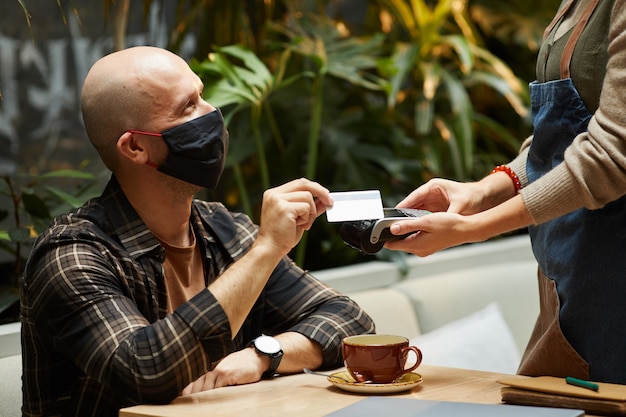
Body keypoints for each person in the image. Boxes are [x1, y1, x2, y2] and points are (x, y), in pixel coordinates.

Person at [20, 46, 375, 417]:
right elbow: (146, 370)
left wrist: (262, 355)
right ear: (136, 146)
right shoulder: (70, 256)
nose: (212, 114)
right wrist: (267, 248)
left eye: (201, 95)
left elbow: (351, 322)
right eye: (187, 107)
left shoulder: (223, 231)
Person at [385, 0, 626, 384]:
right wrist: (481, 192)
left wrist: (472, 229)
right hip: (570, 284)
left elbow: (611, 154)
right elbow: (559, 144)